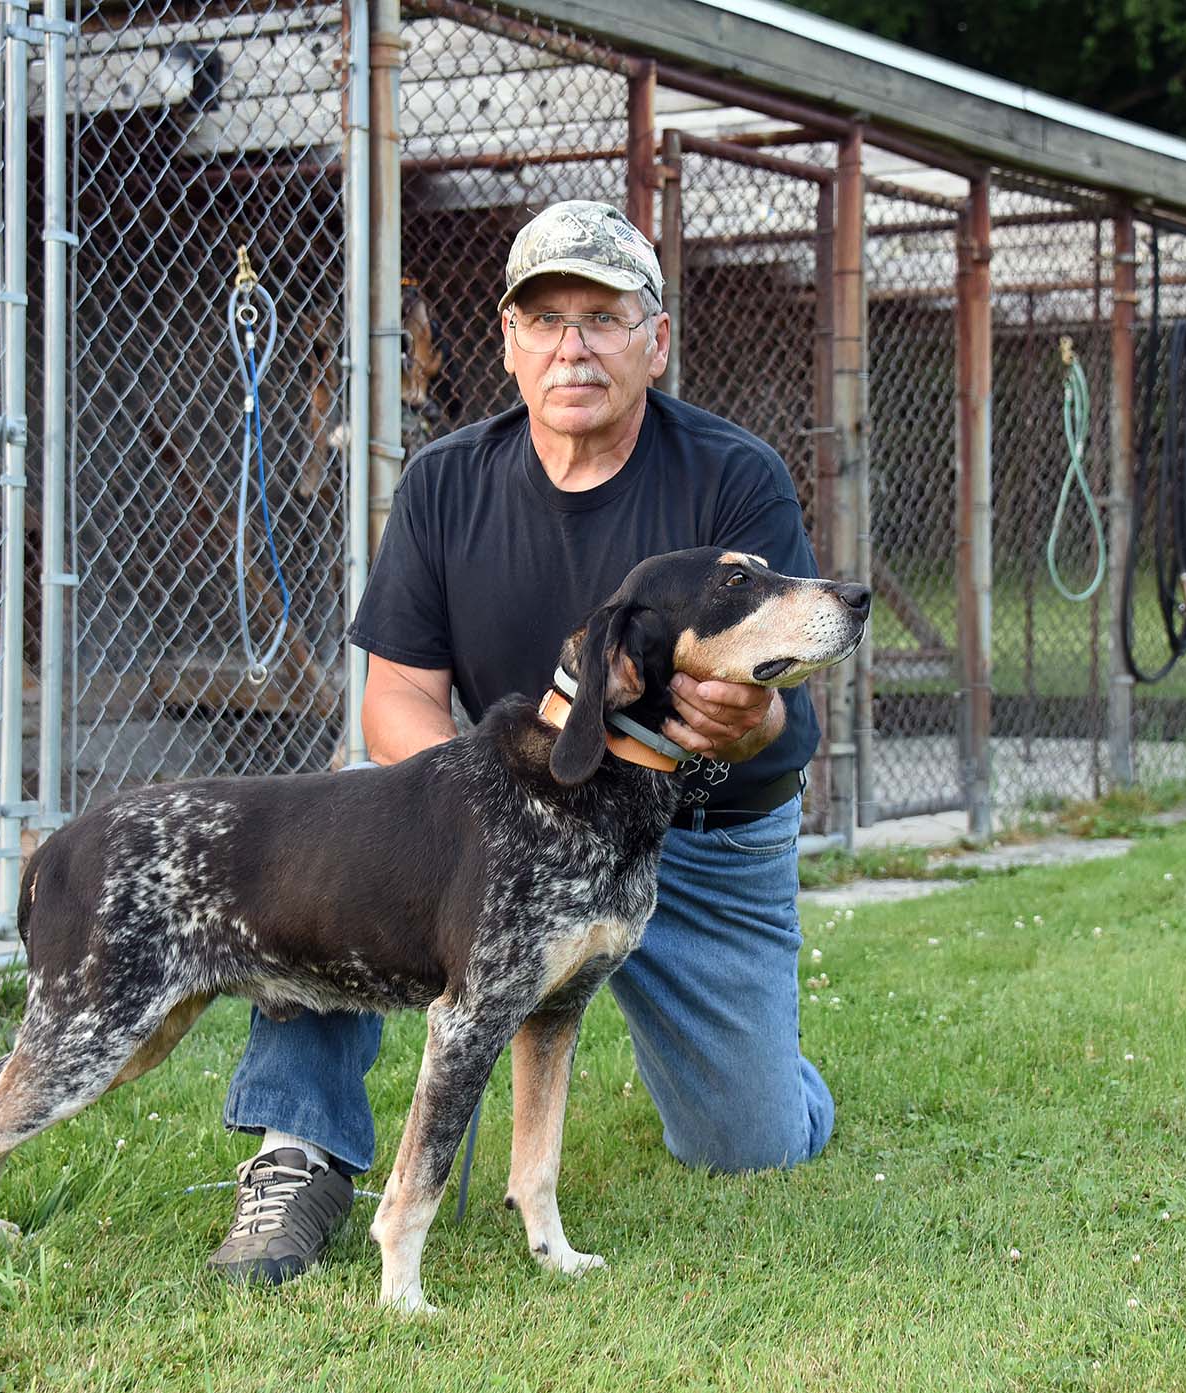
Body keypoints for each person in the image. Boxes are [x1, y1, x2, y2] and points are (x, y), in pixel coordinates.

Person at [207, 200, 835, 1285]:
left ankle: (771, 1068)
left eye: (601, 316)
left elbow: (790, 732)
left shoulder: (732, 480)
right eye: (543, 319)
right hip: (517, 819)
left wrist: (751, 718)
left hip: (700, 837)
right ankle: (296, 1150)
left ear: (655, 339)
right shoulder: (447, 479)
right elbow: (395, 694)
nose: (572, 344)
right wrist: (484, 825)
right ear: (506, 343)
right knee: (346, 831)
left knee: (748, 1142)